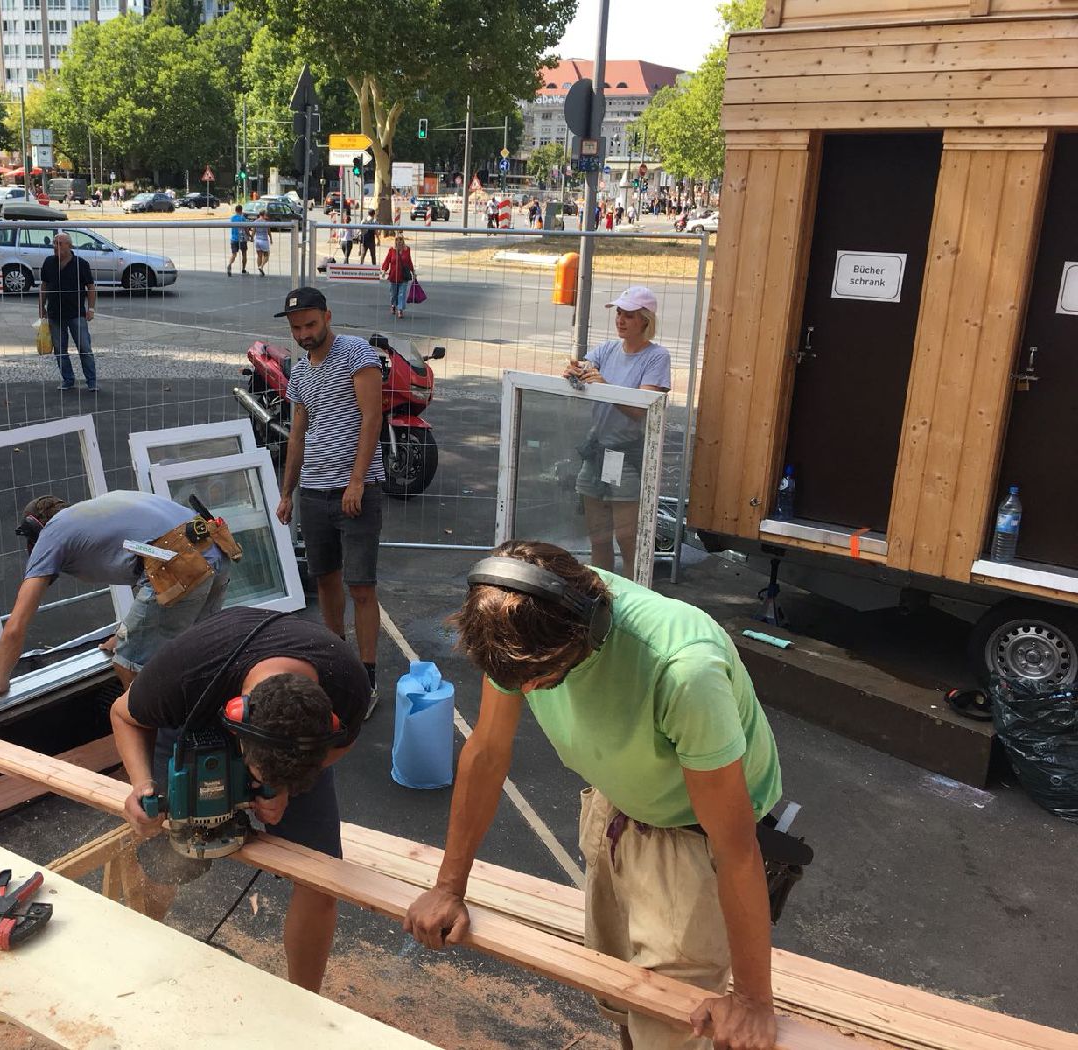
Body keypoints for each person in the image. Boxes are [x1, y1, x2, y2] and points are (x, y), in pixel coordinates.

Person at [404, 540, 783, 1050]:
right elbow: (488, 751)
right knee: (621, 991)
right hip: (617, 806)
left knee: (671, 1029)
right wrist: (449, 886)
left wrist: (755, 1003)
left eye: (544, 681)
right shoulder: (520, 621)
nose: (530, 692)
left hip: (694, 836)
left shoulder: (684, 671)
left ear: (592, 629)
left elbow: (735, 846)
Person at [112, 606, 369, 991]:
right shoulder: (187, 671)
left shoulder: (348, 684)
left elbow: (343, 745)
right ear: (237, 719)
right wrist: (142, 785)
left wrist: (283, 788)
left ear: (327, 722)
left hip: (288, 743)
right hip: (196, 718)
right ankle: (143, 966)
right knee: (168, 857)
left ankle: (305, 1004)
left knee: (320, 878)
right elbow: (123, 715)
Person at [0, 491, 231, 696]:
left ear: (35, 529)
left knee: (129, 665)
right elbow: (147, 560)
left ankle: (154, 745)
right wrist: (126, 632)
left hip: (183, 566)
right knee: (195, 648)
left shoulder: (52, 534)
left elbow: (16, 626)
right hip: (216, 547)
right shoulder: (99, 511)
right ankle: (206, 721)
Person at [273, 287, 384, 717]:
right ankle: (339, 667)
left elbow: (372, 417)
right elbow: (298, 435)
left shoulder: (357, 354)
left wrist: (357, 482)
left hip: (357, 490)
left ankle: (368, 677)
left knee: (361, 586)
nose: (304, 334)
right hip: (315, 492)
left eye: (311, 324)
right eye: (297, 328)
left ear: (327, 316)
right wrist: (287, 492)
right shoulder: (299, 374)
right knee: (325, 582)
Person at [561, 285, 671, 575]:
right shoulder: (608, 348)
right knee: (598, 535)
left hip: (627, 453)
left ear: (646, 321)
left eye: (630, 315)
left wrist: (605, 386)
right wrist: (575, 371)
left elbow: (641, 410)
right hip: (598, 450)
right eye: (619, 313)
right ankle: (604, 595)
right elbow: (586, 367)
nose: (621, 320)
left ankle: (636, 595)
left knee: (627, 537)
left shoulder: (657, 357)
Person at [39, 232, 97, 392]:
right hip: (54, 314)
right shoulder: (49, 262)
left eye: (59, 244)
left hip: (76, 313)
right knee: (59, 350)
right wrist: (41, 307)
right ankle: (68, 379)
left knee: (84, 347)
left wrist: (91, 309)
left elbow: (90, 287)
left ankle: (91, 381)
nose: (55, 247)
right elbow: (44, 285)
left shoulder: (81, 264)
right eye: (54, 243)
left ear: (69, 246)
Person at [380, 233, 416, 319]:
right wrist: (384, 271)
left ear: (403, 240)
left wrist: (413, 272)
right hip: (393, 275)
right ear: (395, 241)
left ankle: (400, 310)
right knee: (393, 294)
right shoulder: (391, 250)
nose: (399, 241)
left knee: (402, 294)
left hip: (403, 276)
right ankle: (393, 305)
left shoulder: (407, 250)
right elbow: (387, 260)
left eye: (400, 239)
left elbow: (409, 261)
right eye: (397, 240)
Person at [227, 203, 250, 275]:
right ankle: (243, 269)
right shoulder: (243, 218)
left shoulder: (232, 218)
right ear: (241, 210)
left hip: (233, 239)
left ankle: (229, 264)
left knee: (234, 254)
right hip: (242, 239)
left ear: (235, 210)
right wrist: (249, 236)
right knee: (244, 254)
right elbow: (246, 229)